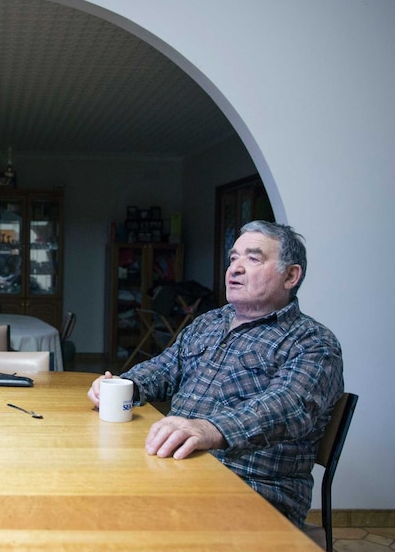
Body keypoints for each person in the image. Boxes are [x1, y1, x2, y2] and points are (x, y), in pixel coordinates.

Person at [89, 220, 343, 528]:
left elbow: (288, 406)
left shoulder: (312, 341)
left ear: (290, 275)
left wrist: (208, 429)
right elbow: (164, 367)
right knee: (89, 489)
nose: (235, 268)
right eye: (233, 258)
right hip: (179, 470)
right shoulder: (210, 322)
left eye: (253, 258)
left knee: (122, 518)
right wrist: (123, 384)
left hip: (254, 488)